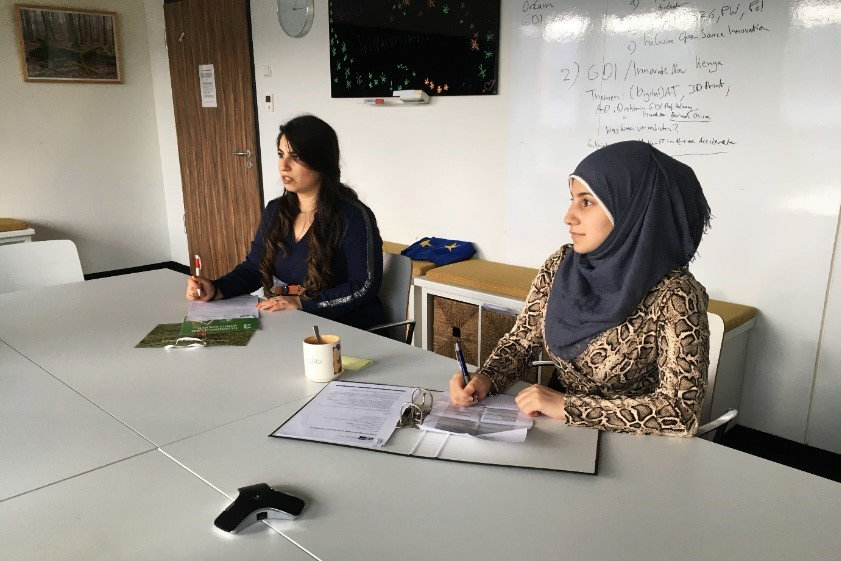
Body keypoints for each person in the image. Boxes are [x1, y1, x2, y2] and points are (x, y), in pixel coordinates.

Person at [449, 141, 712, 436]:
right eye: (572, 199)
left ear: (632, 211)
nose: (568, 216)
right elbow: (521, 342)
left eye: (586, 202)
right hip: (558, 432)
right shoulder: (562, 265)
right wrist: (485, 378)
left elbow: (680, 412)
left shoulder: (676, 295)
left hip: (633, 445)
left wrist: (569, 408)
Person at [186, 115, 386, 330]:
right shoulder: (276, 211)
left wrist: (303, 303)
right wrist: (215, 288)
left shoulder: (353, 217)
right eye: (281, 154)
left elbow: (364, 286)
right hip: (294, 324)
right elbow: (254, 268)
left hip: (346, 330)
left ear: (321, 162)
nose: (284, 166)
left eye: (296, 157)